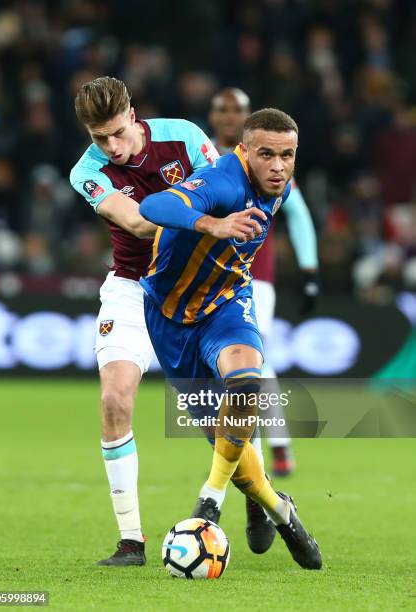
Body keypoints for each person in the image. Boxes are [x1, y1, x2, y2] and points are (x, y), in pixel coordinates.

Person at [139, 108, 322, 570]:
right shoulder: (223, 181)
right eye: (267, 155)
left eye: (287, 155)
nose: (278, 166)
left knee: (246, 382)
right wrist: (213, 224)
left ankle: (210, 498)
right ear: (244, 151)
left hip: (228, 302)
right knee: (228, 443)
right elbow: (153, 207)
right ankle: (279, 508)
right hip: (171, 318)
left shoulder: (277, 185)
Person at [69, 76, 220, 567]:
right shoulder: (86, 171)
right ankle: (130, 541)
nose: (111, 148)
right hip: (132, 288)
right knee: (114, 399)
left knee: (213, 419)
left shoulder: (184, 136)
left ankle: (261, 500)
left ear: (133, 114)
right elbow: (133, 221)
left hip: (194, 289)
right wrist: (204, 220)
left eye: (116, 132)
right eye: (99, 138)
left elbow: (226, 191)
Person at [208, 87, 319, 477]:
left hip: (255, 277)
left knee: (252, 361)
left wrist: (309, 270)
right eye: (223, 109)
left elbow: (299, 212)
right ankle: (259, 450)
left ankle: (272, 446)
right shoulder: (200, 155)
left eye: (238, 108)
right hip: (204, 278)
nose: (229, 115)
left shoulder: (270, 163)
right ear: (213, 115)